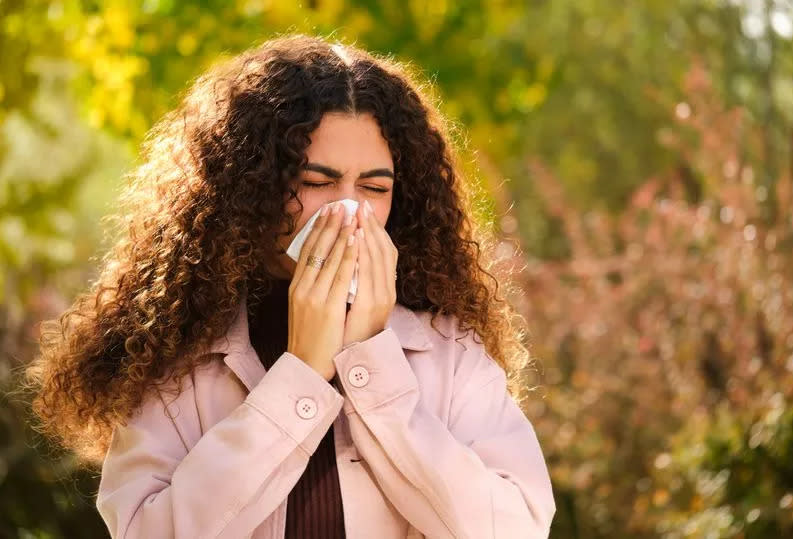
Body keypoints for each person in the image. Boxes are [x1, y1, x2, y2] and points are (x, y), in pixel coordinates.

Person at [27, 34, 556, 538]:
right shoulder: (176, 360)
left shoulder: (448, 352)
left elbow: (517, 527)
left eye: (374, 187)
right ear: (251, 188)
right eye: (316, 182)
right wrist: (301, 373)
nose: (347, 211)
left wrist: (373, 362)